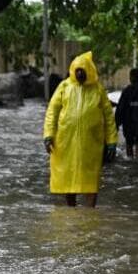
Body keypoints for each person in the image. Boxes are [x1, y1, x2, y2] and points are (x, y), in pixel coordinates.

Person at [44, 51, 118, 207]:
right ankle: (71, 209)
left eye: (82, 70)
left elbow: (109, 117)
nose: (79, 73)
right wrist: (48, 135)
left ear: (89, 70)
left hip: (91, 144)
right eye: (76, 70)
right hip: (66, 143)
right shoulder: (64, 87)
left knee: (90, 179)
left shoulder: (98, 90)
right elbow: (52, 111)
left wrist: (111, 141)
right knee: (68, 177)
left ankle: (89, 212)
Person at [114, 67, 138, 162]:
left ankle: (131, 164)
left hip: (128, 124)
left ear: (131, 78)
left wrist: (116, 124)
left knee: (129, 144)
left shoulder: (127, 91)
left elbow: (120, 109)